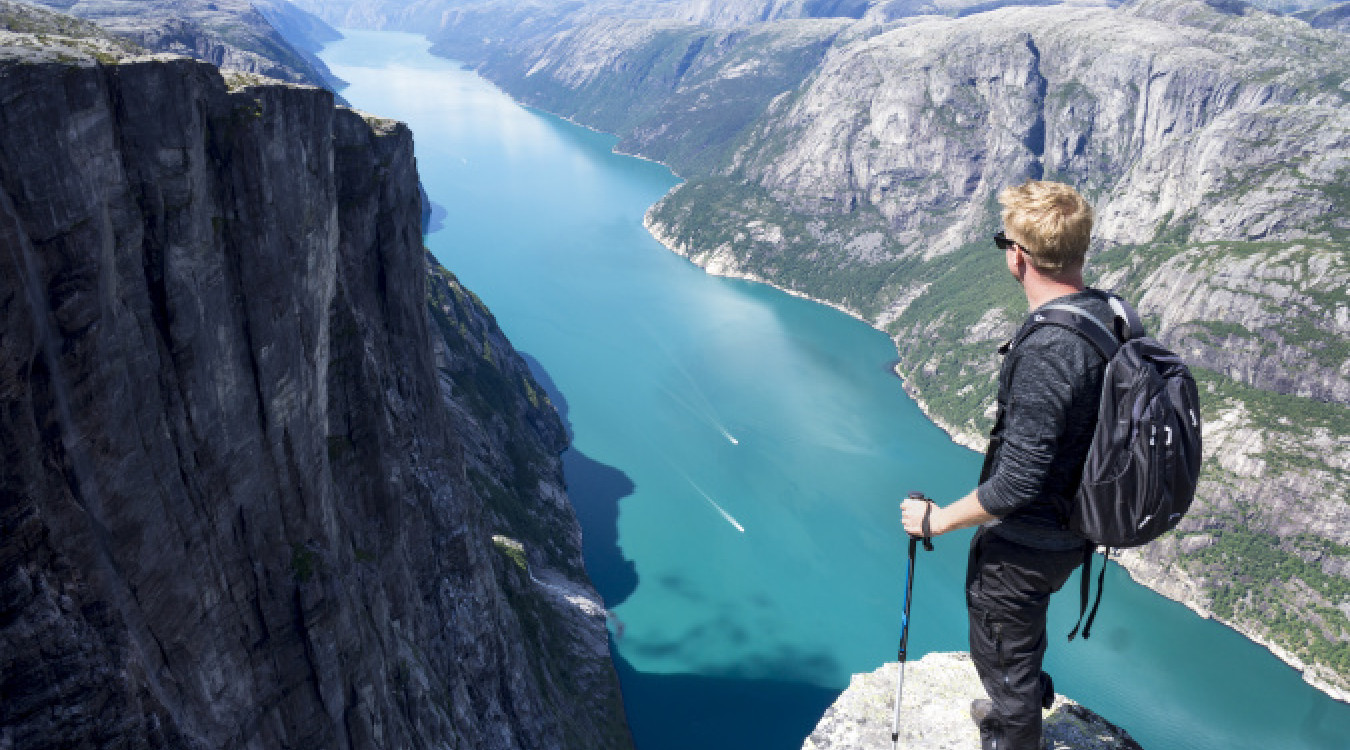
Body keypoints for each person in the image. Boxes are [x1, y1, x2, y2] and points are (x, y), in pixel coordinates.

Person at [901, 180, 1118, 750]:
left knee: (1000, 636)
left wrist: (936, 521)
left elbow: (1018, 480)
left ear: (1017, 254)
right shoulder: (1106, 312)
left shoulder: (1051, 348)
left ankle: (1011, 722)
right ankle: (1012, 694)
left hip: (1028, 540)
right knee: (1018, 631)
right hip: (1077, 527)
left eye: (1005, 240)